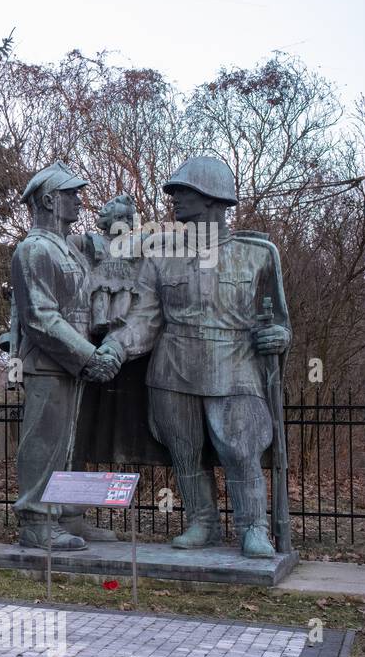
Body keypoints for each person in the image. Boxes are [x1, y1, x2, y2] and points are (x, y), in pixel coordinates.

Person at [104, 156, 290, 557]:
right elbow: (145, 319)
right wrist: (117, 346)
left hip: (236, 364)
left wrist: (279, 336)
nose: (173, 199)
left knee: (241, 450)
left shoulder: (258, 254)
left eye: (182, 192)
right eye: (174, 192)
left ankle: (253, 527)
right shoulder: (159, 255)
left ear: (211, 199)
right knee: (183, 449)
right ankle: (202, 522)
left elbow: (279, 322)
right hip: (173, 367)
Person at [10, 163, 123, 549]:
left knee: (70, 445)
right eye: (70, 194)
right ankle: (36, 523)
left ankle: (68, 516)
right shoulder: (35, 249)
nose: (78, 200)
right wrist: (88, 356)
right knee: (45, 443)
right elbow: (41, 318)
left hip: (72, 364)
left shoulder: (67, 249)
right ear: (47, 199)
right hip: (48, 364)